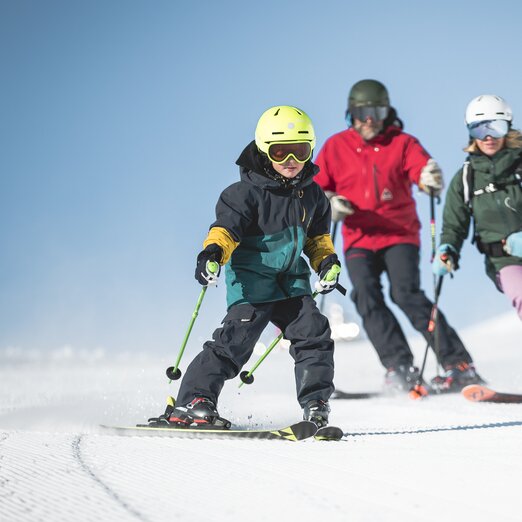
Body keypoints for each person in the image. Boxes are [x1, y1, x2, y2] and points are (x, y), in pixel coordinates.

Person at [149, 106, 341, 429]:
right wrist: (211, 254)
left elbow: (318, 240)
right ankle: (194, 400)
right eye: (281, 152)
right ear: (265, 151)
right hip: (252, 283)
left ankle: (315, 403)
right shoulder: (244, 194)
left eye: (301, 150)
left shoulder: (314, 196)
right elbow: (226, 230)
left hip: (292, 282)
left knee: (314, 333)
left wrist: (327, 263)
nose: (291, 160)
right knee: (236, 341)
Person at [314, 79, 482, 393]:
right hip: (358, 237)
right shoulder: (336, 146)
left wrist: (428, 176)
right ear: (351, 113)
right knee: (365, 295)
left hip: (399, 234)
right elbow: (315, 186)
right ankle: (399, 365)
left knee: (406, 294)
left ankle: (458, 364)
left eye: (377, 111)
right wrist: (328, 201)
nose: (369, 119)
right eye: (362, 112)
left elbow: (422, 169)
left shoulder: (402, 143)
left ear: (387, 112)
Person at [433, 94, 522, 320]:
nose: (489, 136)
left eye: (496, 127)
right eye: (480, 129)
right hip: (505, 261)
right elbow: (454, 225)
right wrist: (447, 249)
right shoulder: (466, 178)